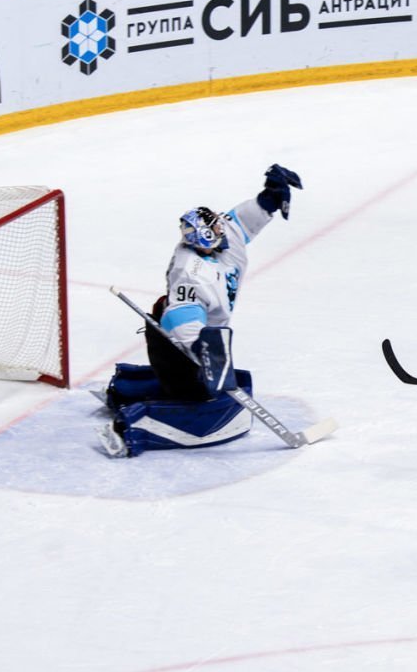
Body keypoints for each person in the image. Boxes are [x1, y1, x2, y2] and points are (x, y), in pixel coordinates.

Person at [100, 165, 303, 457]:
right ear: (205, 237)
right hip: (175, 345)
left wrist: (270, 197)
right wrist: (203, 351)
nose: (222, 227)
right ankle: (129, 428)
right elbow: (180, 317)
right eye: (216, 227)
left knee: (225, 385)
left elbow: (241, 223)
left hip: (204, 337)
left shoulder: (219, 243)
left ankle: (126, 388)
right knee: (204, 398)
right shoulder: (191, 273)